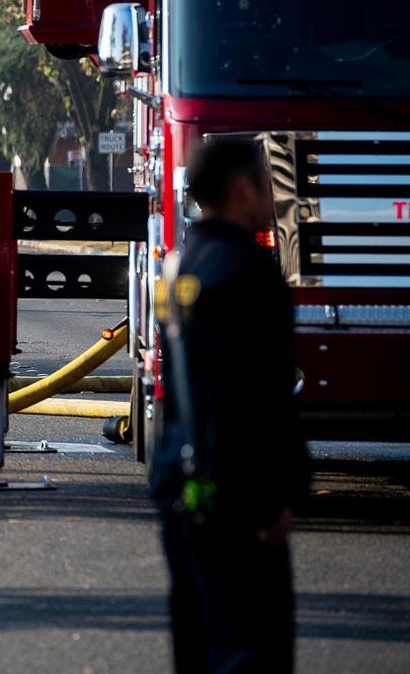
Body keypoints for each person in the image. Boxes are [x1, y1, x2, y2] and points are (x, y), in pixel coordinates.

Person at [150, 136, 308, 673]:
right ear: (242, 188)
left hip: (182, 485)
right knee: (250, 650)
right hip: (237, 495)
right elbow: (257, 395)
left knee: (195, 644)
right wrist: (272, 498)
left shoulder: (177, 267)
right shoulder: (248, 270)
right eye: (266, 181)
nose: (271, 192)